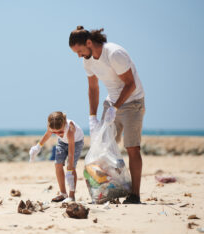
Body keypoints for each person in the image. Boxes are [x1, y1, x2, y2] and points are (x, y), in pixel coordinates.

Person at [69, 26, 145, 204]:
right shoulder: (88, 61)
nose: (79, 56)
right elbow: (93, 88)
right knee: (102, 147)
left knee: (132, 147)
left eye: (80, 51)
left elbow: (130, 84)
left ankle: (134, 194)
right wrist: (92, 116)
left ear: (89, 43)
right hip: (111, 103)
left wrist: (116, 108)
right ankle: (109, 189)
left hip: (133, 102)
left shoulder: (114, 54)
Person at [29, 111, 84, 202]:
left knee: (71, 166)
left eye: (60, 131)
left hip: (75, 142)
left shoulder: (70, 129)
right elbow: (47, 135)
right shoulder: (52, 125)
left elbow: (71, 152)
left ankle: (71, 195)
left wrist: (69, 169)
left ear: (64, 124)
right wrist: (37, 147)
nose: (59, 134)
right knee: (57, 164)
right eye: (55, 133)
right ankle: (63, 193)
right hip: (62, 142)